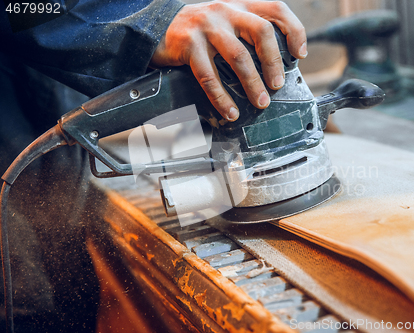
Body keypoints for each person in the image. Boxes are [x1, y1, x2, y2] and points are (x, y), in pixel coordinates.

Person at [0, 0, 307, 331]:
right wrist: (150, 23)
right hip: (14, 130)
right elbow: (20, 9)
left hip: (56, 120)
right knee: (31, 301)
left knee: (67, 290)